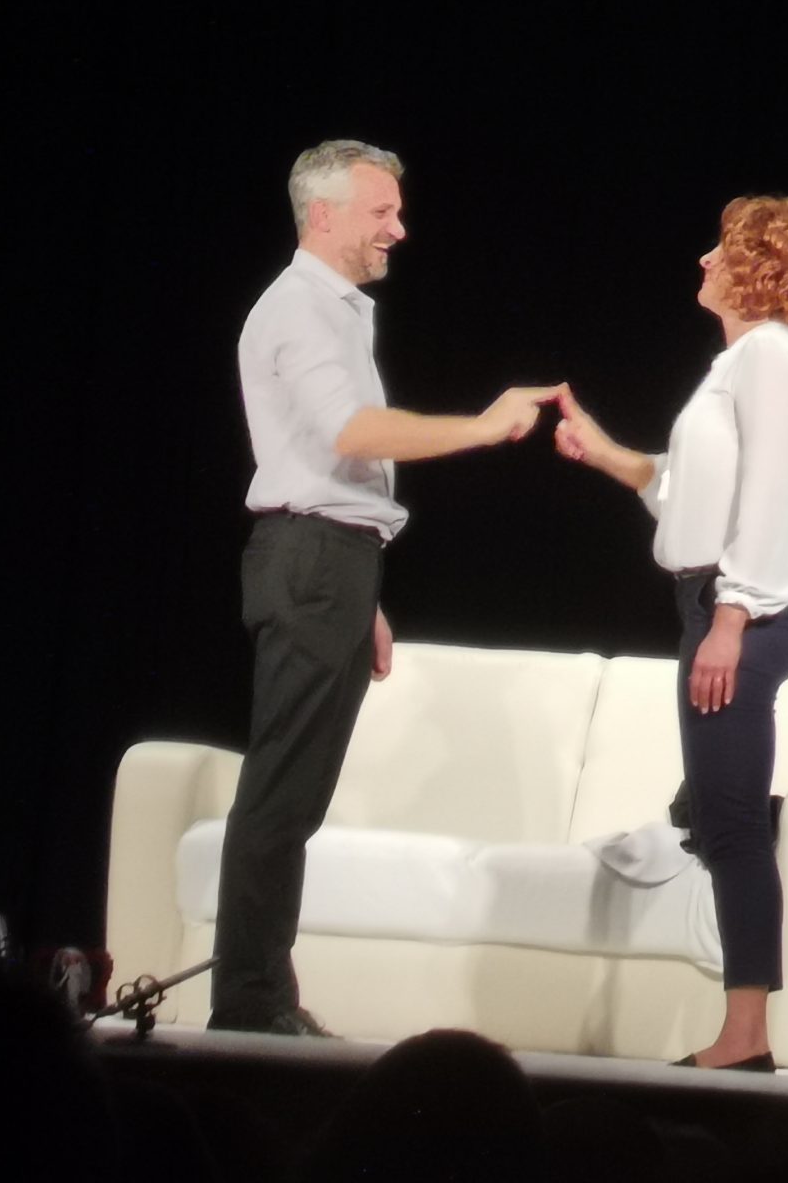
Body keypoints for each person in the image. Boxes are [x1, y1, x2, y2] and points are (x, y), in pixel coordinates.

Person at [210, 138, 561, 1036]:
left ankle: (263, 996)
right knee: (282, 792)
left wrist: (361, 594)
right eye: (382, 212)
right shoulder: (298, 309)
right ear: (323, 215)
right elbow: (352, 433)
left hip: (333, 562)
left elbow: (328, 465)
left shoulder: (333, 312)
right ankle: (248, 1005)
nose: (398, 229)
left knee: (297, 798)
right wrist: (482, 427)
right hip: (309, 558)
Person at [554, 195, 788, 1072]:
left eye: (723, 251)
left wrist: (731, 614)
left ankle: (746, 1038)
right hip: (721, 603)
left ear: (760, 272)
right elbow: (690, 491)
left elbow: (774, 494)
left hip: (743, 610)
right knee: (722, 817)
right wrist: (604, 452)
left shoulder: (767, 355)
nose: (705, 261)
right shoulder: (741, 364)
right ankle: (745, 1033)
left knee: (731, 824)